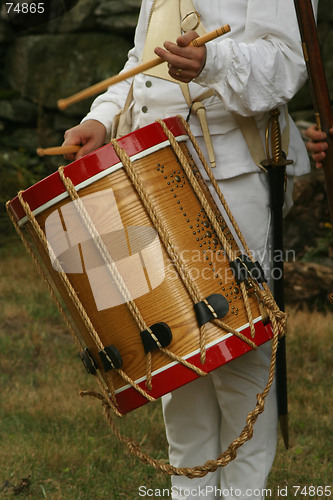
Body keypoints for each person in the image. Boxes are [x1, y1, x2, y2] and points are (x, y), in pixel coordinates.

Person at [62, 1, 318, 498]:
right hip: (156, 176)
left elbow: (287, 63)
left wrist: (213, 62)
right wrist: (105, 115)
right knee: (176, 356)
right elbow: (141, 63)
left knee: (240, 358)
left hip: (234, 177)